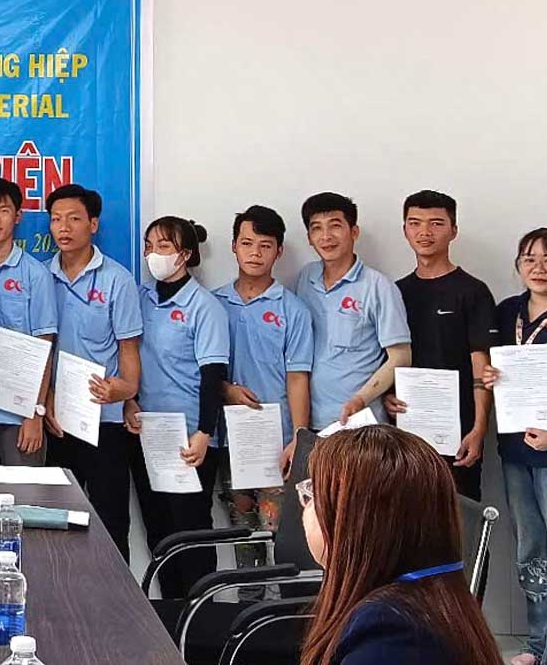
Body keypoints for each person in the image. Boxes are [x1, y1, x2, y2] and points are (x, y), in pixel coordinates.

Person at [298, 425, 501, 665]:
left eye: (315, 495)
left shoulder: (390, 634)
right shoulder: (420, 603)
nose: (306, 506)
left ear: (363, 522)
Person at [125, 216, 229, 598]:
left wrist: (204, 433)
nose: (153, 253)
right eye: (149, 245)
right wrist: (129, 400)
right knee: (159, 532)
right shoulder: (141, 297)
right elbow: (128, 357)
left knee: (191, 532)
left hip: (189, 437)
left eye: (164, 246)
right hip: (148, 431)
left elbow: (213, 375)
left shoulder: (205, 306)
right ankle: (169, 616)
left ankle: (201, 616)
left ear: (184, 254)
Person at [213, 205, 314, 583]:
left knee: (277, 532)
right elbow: (204, 373)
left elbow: (297, 377)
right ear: (234, 246)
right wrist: (226, 390)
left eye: (265, 245)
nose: (255, 253)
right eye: (247, 243)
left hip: (277, 441)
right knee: (242, 530)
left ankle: (279, 611)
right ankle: (247, 606)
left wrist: (299, 438)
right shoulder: (213, 303)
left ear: (279, 251)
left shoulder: (293, 310)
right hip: (229, 438)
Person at [43, 184, 143, 559]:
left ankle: (115, 596)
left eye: (74, 219)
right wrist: (45, 399)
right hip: (56, 419)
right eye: (56, 219)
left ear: (93, 224)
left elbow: (129, 351)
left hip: (105, 421)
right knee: (54, 521)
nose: (64, 227)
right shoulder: (41, 276)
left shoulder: (117, 280)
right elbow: (40, 349)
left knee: (110, 522)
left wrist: (125, 390)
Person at [482, 228, 547, 665]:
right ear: (518, 266)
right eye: (529, 259)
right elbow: (493, 369)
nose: (538, 267)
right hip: (515, 449)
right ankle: (537, 642)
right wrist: (491, 377)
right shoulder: (507, 310)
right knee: (530, 550)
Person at [389, 190, 496, 500]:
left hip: (458, 432)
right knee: (409, 515)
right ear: (405, 230)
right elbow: (389, 358)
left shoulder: (473, 291)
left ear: (453, 230)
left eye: (436, 223)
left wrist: (479, 429)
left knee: (460, 514)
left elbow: (481, 364)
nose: (425, 232)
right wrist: (386, 397)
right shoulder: (395, 292)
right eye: (415, 223)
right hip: (407, 431)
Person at [295, 192, 412, 430]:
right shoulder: (305, 279)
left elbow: (401, 357)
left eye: (335, 226)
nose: (326, 236)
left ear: (354, 232)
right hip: (312, 423)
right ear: (309, 238)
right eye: (317, 228)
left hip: (360, 422)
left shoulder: (378, 286)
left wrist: (360, 399)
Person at [0, 178, 57, 465]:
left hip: (19, 413)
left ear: (17, 216)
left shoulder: (35, 274)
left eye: (3, 210)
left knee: (23, 489)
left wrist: (36, 413)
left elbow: (45, 346)